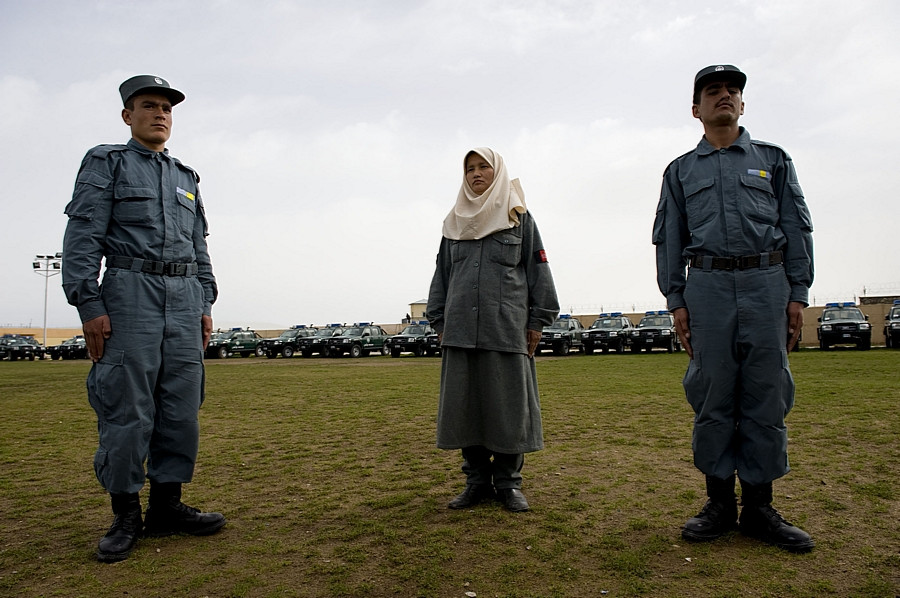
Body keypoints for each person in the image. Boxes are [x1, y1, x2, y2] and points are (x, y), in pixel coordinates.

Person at [62, 75, 225, 563]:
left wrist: (205, 303)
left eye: (167, 108)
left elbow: (200, 247)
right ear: (127, 116)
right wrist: (88, 304)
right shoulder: (106, 162)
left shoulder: (186, 178)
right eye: (149, 106)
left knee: (180, 406)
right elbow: (84, 233)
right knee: (126, 407)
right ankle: (126, 513)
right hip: (130, 294)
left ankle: (168, 507)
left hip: (185, 297)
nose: (160, 114)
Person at [652, 65, 815, 552]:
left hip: (767, 283)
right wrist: (676, 299)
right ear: (696, 109)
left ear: (742, 106)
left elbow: (797, 226)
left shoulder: (774, 160)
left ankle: (760, 509)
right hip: (706, 287)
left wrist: (797, 293)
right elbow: (668, 240)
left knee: (766, 393)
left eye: (733, 91)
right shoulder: (680, 171)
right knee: (712, 393)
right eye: (713, 91)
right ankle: (719, 503)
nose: (724, 96)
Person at [426, 148, 559, 512]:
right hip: (460, 330)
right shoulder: (453, 224)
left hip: (506, 329)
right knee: (465, 409)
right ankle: (476, 482)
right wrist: (438, 320)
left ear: (497, 171)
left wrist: (537, 322)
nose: (476, 173)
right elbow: (442, 275)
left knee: (508, 411)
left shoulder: (518, 217)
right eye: (469, 169)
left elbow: (538, 269)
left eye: (483, 166)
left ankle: (508, 484)